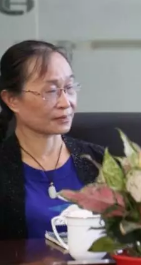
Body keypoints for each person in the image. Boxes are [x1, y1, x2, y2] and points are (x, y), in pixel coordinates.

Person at [0, 41, 104, 240]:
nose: (66, 103)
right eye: (50, 91)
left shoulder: (101, 162)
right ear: (12, 100)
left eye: (69, 87)